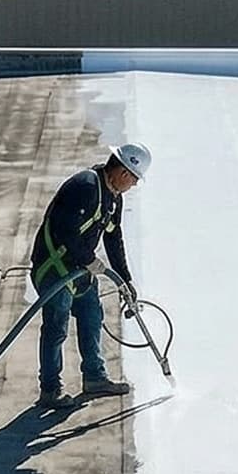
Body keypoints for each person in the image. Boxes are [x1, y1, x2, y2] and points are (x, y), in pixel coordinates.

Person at [29, 142, 151, 408]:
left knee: (92, 316)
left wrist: (125, 279)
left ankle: (95, 377)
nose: (133, 185)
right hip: (53, 269)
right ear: (124, 172)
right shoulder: (85, 187)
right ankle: (50, 391)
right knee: (56, 328)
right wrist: (89, 260)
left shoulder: (113, 198)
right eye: (134, 179)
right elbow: (64, 231)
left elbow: (113, 238)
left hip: (78, 269)